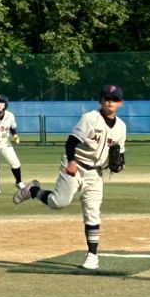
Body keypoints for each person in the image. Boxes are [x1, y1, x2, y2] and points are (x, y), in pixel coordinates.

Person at [14, 84, 127, 272]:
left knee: (92, 211)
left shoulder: (121, 127)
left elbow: (119, 153)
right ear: (101, 100)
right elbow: (71, 142)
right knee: (58, 202)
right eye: (106, 98)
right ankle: (33, 190)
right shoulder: (90, 118)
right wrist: (72, 161)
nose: (110, 102)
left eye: (114, 99)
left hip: (95, 173)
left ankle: (92, 256)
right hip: (75, 165)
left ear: (120, 103)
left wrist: (119, 165)